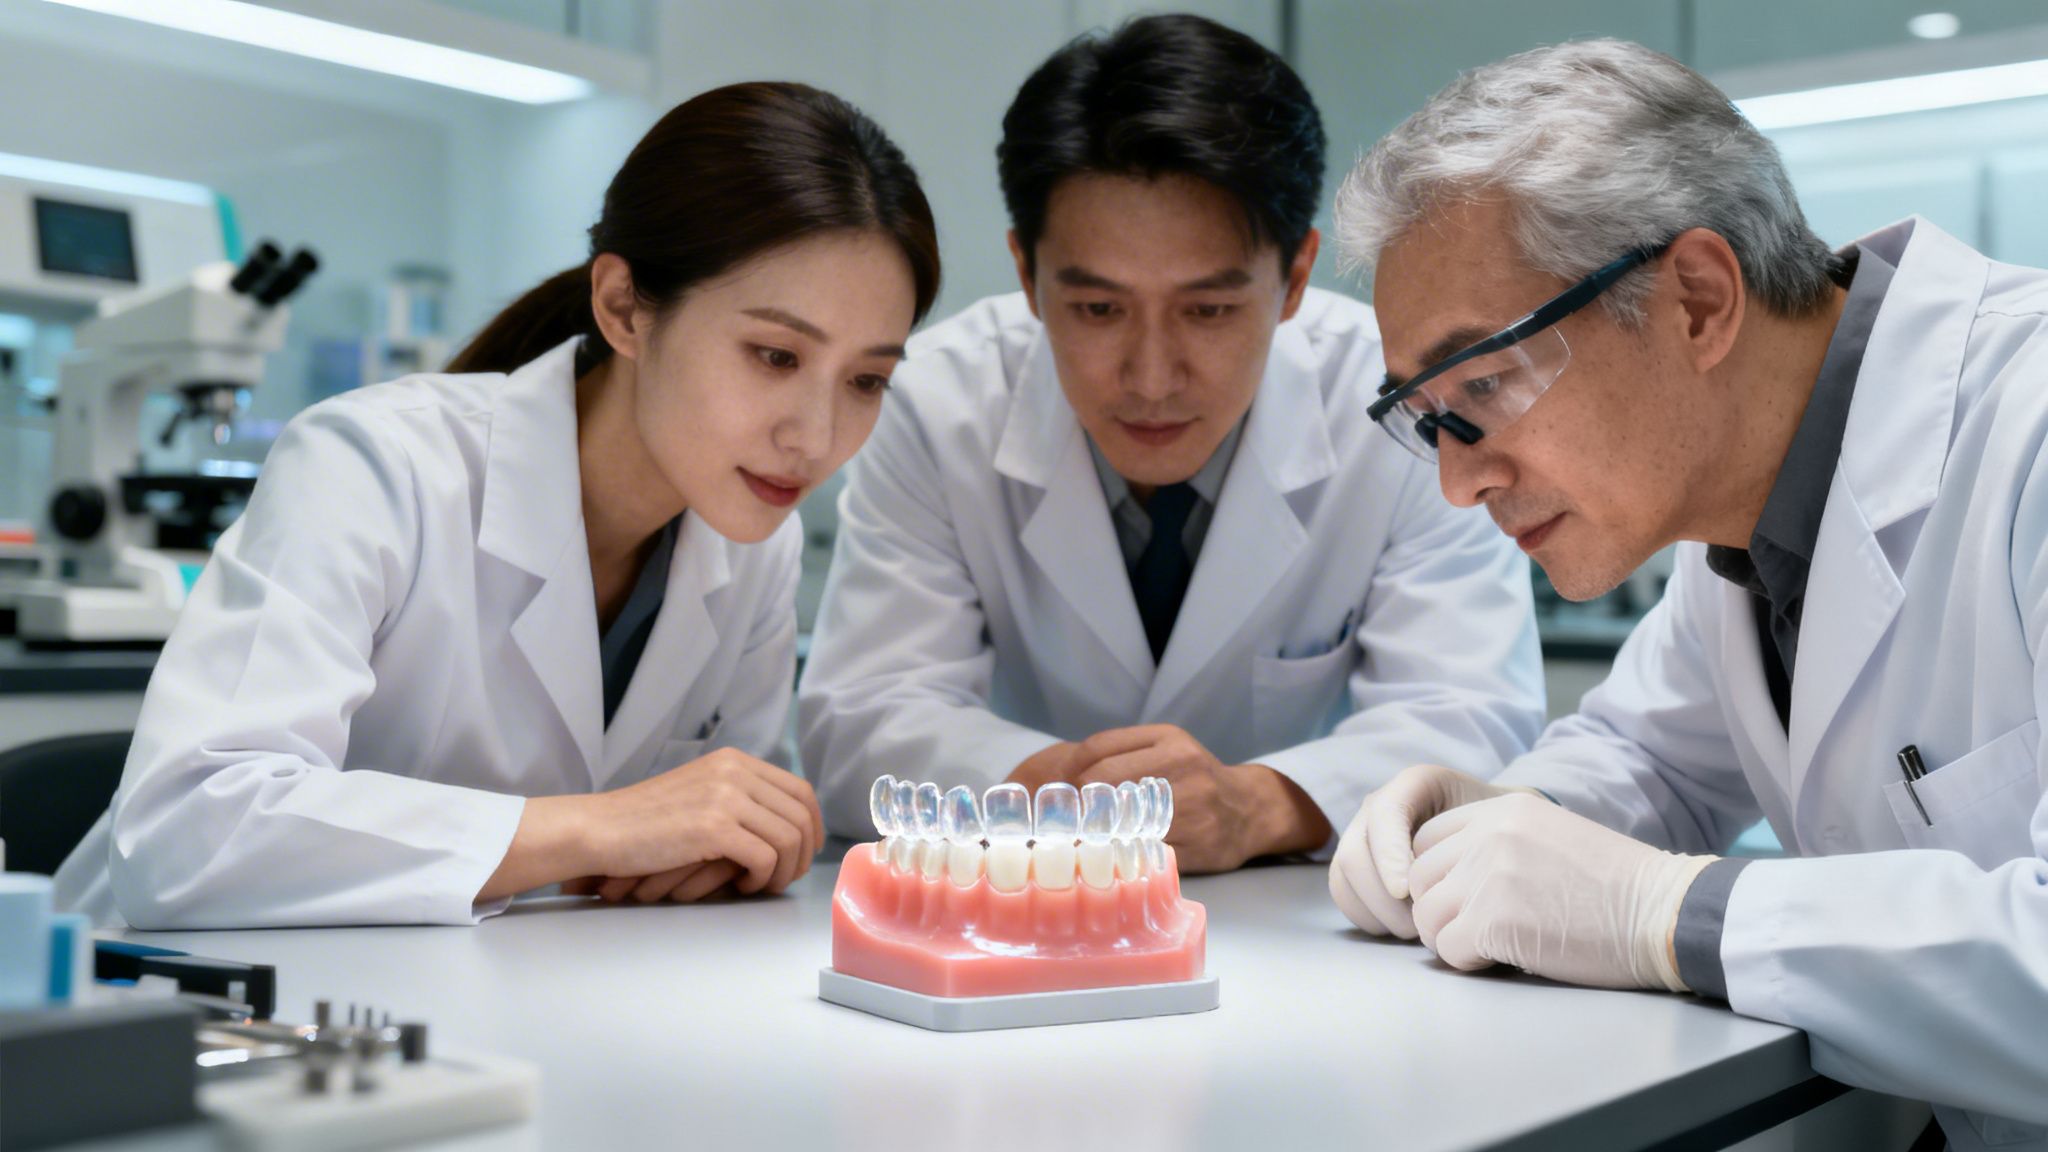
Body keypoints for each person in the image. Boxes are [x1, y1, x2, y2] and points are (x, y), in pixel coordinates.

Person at [1327, 39, 2048, 1145]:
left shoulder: (2028, 430)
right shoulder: (1741, 519)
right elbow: (1647, 759)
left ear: (1699, 301)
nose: (1459, 478)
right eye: (1427, 418)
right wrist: (1499, 823)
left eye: (1482, 384)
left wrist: (1666, 914)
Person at [53, 82, 941, 928]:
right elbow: (184, 832)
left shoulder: (751, 542)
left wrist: (732, 844)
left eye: (866, 380)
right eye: (775, 357)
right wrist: (602, 825)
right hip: (148, 1010)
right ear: (625, 308)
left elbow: (711, 825)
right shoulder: (376, 467)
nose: (817, 438)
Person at [799, 14, 1543, 873]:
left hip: (1307, 932)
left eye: (1210, 310)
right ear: (1027, 277)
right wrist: (1046, 788)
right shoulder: (935, 402)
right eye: (1098, 309)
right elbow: (865, 716)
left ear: (1296, 277)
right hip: (1022, 899)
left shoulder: (1400, 407)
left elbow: (1473, 713)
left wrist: (1262, 805)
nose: (1151, 377)